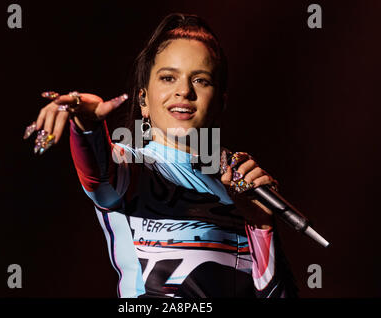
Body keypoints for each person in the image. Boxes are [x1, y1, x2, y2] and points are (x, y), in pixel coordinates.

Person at [25, 13, 298, 298]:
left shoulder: (240, 182)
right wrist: (88, 127)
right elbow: (99, 177)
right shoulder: (134, 167)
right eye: (168, 77)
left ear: (220, 102)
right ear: (143, 99)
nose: (183, 91)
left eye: (201, 80)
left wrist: (262, 225)